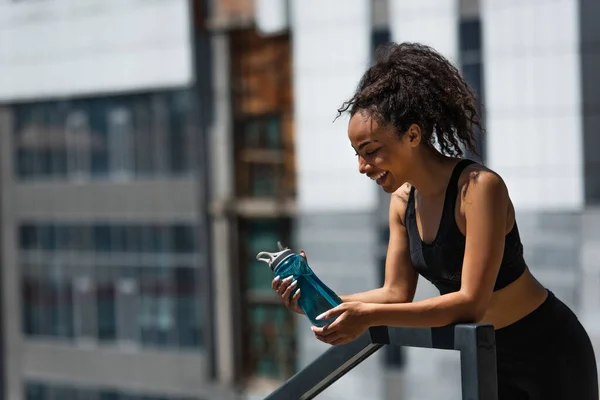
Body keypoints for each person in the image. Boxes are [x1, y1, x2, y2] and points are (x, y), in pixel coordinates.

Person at [271, 42, 599, 399]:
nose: (363, 167)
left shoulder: (477, 189)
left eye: (371, 151)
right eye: (358, 155)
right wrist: (323, 303)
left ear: (412, 135)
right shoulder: (401, 204)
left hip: (548, 352)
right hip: (488, 356)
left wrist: (367, 317)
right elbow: (395, 294)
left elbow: (470, 303)